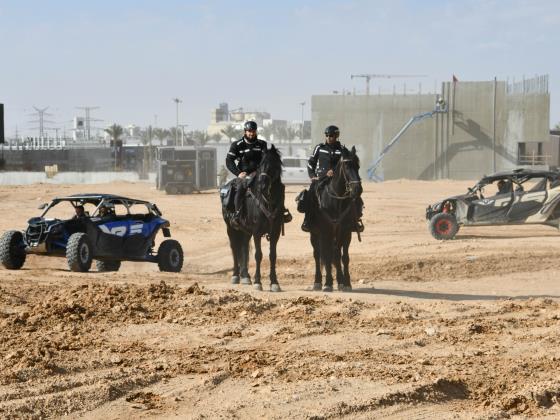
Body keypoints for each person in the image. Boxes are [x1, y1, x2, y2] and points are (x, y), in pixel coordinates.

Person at [301, 125, 364, 233]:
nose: (329, 137)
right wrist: (313, 176)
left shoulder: (342, 150)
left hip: (338, 180)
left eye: (331, 135)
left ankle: (355, 220)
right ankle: (307, 220)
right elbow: (310, 163)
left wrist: (334, 171)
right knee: (309, 195)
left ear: (336, 136)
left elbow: (346, 165)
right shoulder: (319, 148)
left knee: (355, 197)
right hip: (320, 179)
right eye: (327, 135)